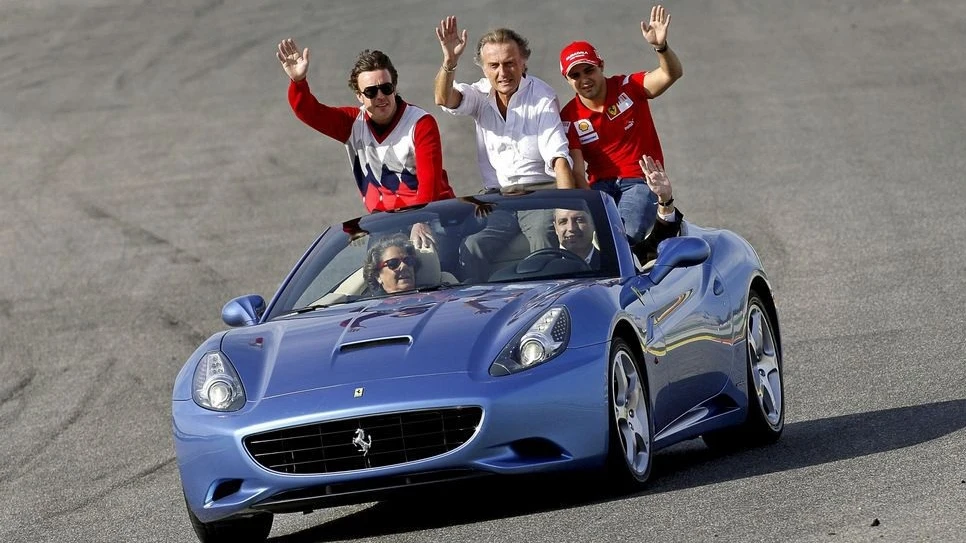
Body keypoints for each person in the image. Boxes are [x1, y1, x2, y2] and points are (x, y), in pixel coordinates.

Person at [433, 18, 580, 280]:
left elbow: (559, 158)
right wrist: (449, 61)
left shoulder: (541, 98)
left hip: (539, 195)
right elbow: (444, 99)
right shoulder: (480, 94)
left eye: (510, 63)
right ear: (484, 68)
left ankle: (544, 301)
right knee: (471, 245)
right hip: (496, 200)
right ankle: (482, 306)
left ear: (523, 62)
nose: (503, 72)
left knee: (542, 237)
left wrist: (566, 207)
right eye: (494, 66)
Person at [277, 39, 455, 213]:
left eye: (386, 88)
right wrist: (298, 82)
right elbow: (309, 112)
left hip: (434, 216)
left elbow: (429, 187)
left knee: (400, 243)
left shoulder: (420, 123)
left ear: (394, 87)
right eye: (371, 92)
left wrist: (421, 222)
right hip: (386, 225)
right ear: (359, 96)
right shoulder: (353, 123)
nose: (380, 96)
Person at [558, 4, 683, 248]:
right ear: (567, 79)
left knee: (625, 235)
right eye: (576, 75)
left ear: (601, 66)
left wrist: (661, 47)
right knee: (586, 243)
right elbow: (577, 172)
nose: (584, 80)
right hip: (599, 189)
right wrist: (589, 207)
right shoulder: (569, 116)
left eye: (589, 70)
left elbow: (671, 74)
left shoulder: (629, 86)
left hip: (639, 181)